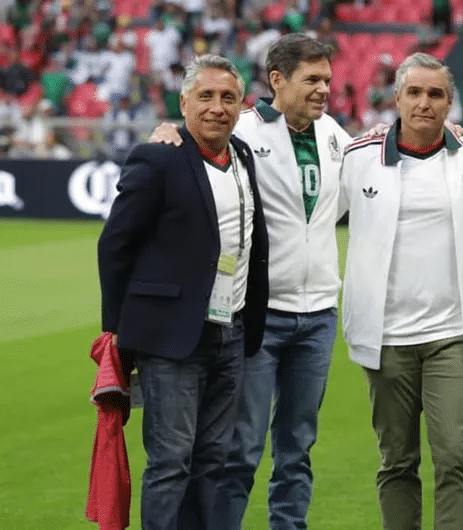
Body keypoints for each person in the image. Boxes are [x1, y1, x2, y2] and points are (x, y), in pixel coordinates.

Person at [150, 34, 353, 530]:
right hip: (258, 317)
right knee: (240, 448)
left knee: (298, 446)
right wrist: (168, 134)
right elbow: (187, 159)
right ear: (278, 81)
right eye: (312, 79)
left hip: (320, 313)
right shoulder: (238, 130)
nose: (324, 88)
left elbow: (389, 159)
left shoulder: (338, 137)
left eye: (327, 78)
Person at [97, 54, 269, 530]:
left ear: (241, 105)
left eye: (228, 97)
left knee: (213, 459)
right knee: (171, 462)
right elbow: (115, 244)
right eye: (206, 96)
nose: (217, 107)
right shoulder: (159, 156)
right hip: (171, 337)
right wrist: (116, 329)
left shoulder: (243, 156)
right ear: (184, 101)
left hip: (230, 333)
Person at [338, 52, 463, 530]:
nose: (425, 102)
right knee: (397, 461)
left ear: (449, 103)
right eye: (415, 92)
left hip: (452, 334)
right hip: (385, 338)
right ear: (397, 97)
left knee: (456, 457)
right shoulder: (357, 156)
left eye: (436, 94)